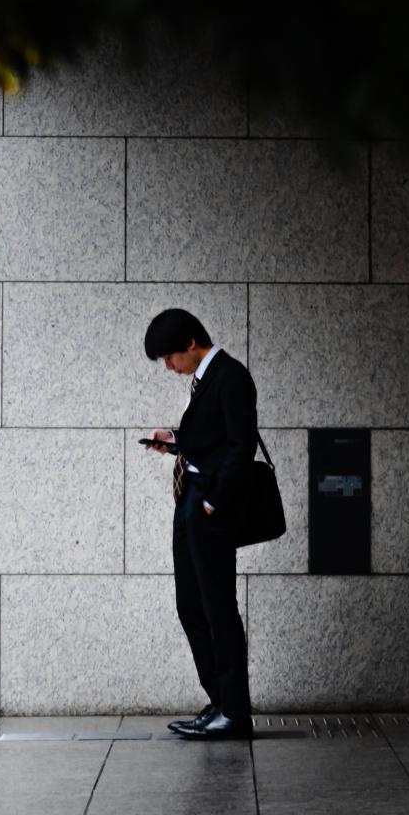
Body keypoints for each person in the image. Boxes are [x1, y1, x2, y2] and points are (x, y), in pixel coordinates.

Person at [141, 307, 260, 741]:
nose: (169, 367)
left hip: (210, 506)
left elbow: (241, 446)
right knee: (190, 605)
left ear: (191, 344)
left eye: (170, 357)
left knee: (217, 607)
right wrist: (174, 441)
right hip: (190, 501)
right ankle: (220, 701)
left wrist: (212, 502)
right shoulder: (205, 380)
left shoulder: (231, 377)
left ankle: (234, 712)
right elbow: (210, 439)